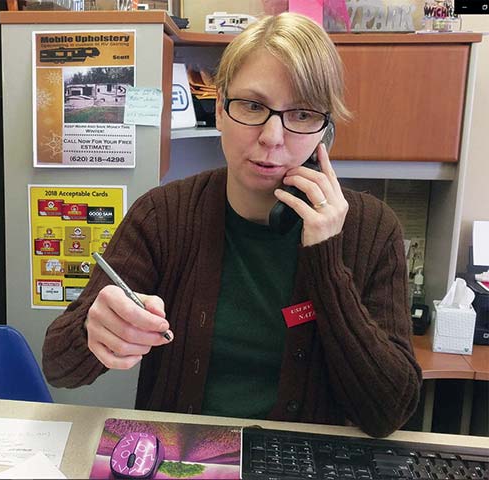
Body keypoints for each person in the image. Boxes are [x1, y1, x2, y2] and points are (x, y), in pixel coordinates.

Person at [41, 12, 421, 438]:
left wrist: (327, 260)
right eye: (253, 106)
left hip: (302, 461)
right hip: (182, 455)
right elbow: (58, 366)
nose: (272, 137)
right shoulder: (164, 215)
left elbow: (388, 413)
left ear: (324, 133)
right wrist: (94, 329)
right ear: (220, 109)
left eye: (301, 114)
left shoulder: (372, 229)